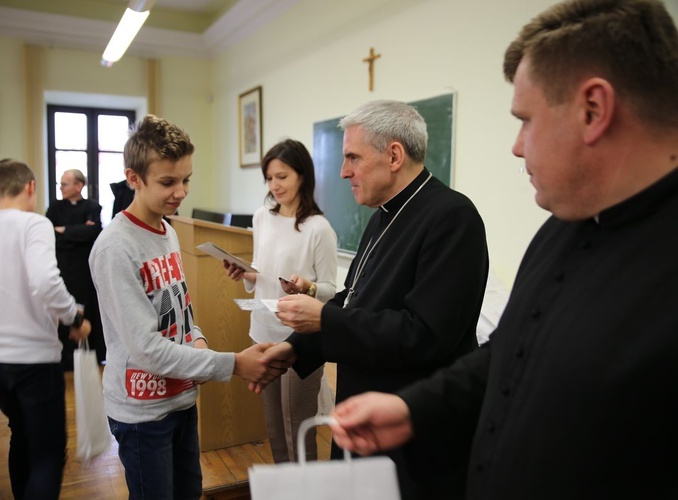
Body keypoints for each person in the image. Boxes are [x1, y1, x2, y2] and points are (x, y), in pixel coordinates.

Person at [330, 0, 678, 498]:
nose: (517, 145)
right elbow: (509, 352)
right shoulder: (561, 228)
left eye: (526, 120)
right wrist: (414, 408)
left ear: (593, 110)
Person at [259, 100, 489, 499]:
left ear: (394, 155)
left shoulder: (452, 217)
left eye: (352, 157)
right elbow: (356, 299)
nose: (344, 170)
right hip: (361, 411)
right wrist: (295, 348)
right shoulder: (382, 214)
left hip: (410, 426)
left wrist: (323, 322)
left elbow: (426, 334)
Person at [89, 114, 286, 499]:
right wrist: (231, 363)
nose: (181, 192)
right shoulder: (115, 248)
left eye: (186, 179)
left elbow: (179, 312)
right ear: (134, 179)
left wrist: (197, 338)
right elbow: (146, 350)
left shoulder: (168, 231)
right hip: (143, 412)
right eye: (167, 182)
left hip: (181, 397)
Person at [0, 158, 91, 499]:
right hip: (31, 360)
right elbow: (47, 282)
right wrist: (74, 318)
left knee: (21, 435)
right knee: (48, 454)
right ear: (31, 187)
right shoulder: (35, 226)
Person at [224, 139, 338, 463]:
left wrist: (309, 287)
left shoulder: (319, 229)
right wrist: (245, 273)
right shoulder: (262, 216)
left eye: (283, 176)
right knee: (274, 425)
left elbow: (332, 288)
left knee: (297, 426)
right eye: (270, 178)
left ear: (302, 175)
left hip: (299, 336)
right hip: (262, 330)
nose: (275, 185)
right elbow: (263, 270)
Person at [46, 169, 105, 367]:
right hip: (62, 266)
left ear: (78, 186)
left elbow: (93, 231)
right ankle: (65, 357)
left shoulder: (92, 206)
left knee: (86, 306)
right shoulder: (55, 207)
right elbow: (49, 233)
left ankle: (91, 355)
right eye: (61, 184)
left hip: (85, 268)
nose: (61, 187)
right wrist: (77, 232)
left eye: (64, 184)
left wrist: (64, 231)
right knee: (64, 305)